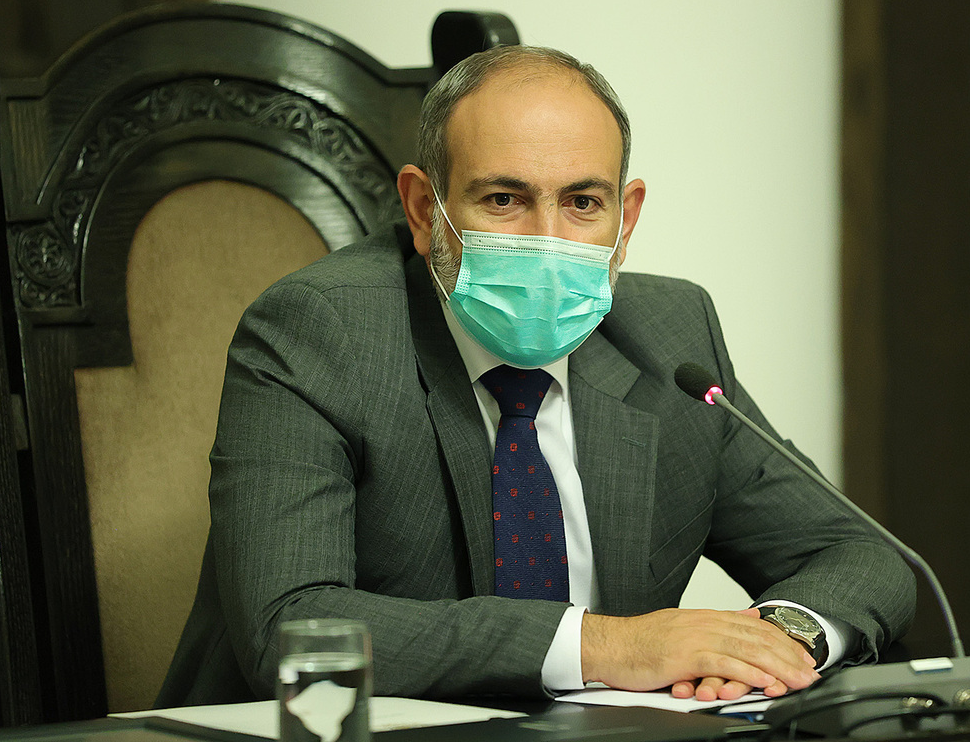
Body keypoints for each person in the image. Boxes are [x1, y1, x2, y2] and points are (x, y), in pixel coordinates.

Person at [158, 45, 915, 708]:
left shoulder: (669, 337)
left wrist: (771, 643)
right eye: (504, 200)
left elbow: (860, 555)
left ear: (626, 218)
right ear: (423, 210)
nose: (548, 241)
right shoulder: (318, 331)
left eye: (583, 202)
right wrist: (606, 646)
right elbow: (289, 627)